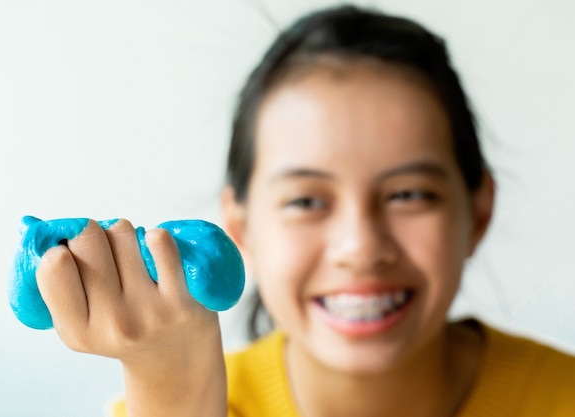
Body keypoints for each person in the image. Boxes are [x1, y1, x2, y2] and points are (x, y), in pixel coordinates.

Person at [35, 5, 575, 417]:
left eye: (408, 194)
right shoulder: (165, 401)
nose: (360, 247)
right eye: (306, 201)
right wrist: (173, 385)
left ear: (477, 213)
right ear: (243, 227)